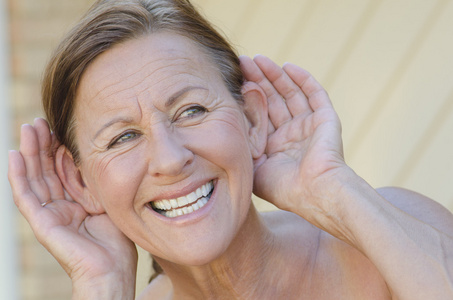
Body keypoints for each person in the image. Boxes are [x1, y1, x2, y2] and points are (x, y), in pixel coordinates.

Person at [7, 0, 453, 299]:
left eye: (192, 110)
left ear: (252, 121)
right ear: (80, 181)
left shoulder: (397, 236)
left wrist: (335, 194)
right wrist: (101, 285)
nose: (170, 158)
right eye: (123, 137)